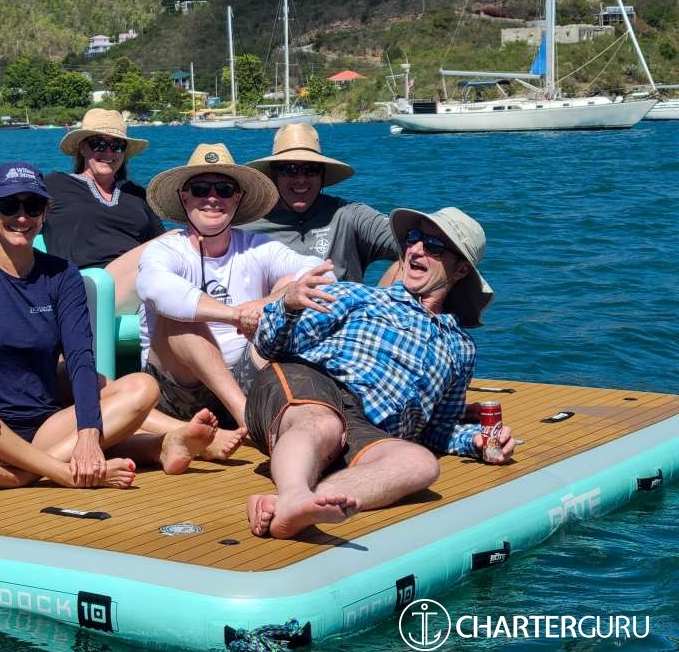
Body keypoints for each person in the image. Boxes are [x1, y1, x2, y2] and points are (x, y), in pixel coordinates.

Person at [244, 207, 515, 540]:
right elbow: (270, 345)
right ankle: (294, 493)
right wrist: (288, 305)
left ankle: (300, 504)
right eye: (413, 239)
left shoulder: (460, 348)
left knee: (421, 464)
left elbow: (437, 430)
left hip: (365, 429)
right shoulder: (359, 297)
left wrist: (474, 441)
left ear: (460, 269)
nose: (415, 250)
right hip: (310, 385)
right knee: (324, 423)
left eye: (433, 245)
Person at [0, 161, 165, 493]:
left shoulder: (61, 274)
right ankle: (62, 472)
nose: (21, 217)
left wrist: (88, 435)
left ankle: (22, 475)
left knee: (143, 387)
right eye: (9, 205)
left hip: (42, 430)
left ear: (45, 214)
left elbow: (79, 357)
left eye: (32, 206)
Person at [136, 143, 329, 451]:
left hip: (244, 377)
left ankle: (306, 420)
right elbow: (155, 288)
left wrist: (272, 301)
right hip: (180, 388)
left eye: (224, 190)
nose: (212, 198)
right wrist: (235, 315)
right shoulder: (165, 250)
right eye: (201, 189)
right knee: (177, 319)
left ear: (237, 199)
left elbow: (321, 274)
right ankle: (249, 420)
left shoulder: (258, 246)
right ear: (185, 198)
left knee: (294, 290)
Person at [241, 124, 400, 283]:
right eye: (290, 169)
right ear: (274, 175)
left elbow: (407, 238)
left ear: (322, 174)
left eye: (311, 169)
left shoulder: (348, 216)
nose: (301, 179)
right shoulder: (246, 229)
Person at [44, 108, 163, 310]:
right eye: (98, 144)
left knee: (182, 243)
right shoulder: (56, 185)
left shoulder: (135, 193)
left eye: (117, 146)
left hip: (136, 285)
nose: (108, 152)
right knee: (179, 241)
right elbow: (12, 219)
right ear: (82, 148)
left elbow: (160, 241)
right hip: (85, 287)